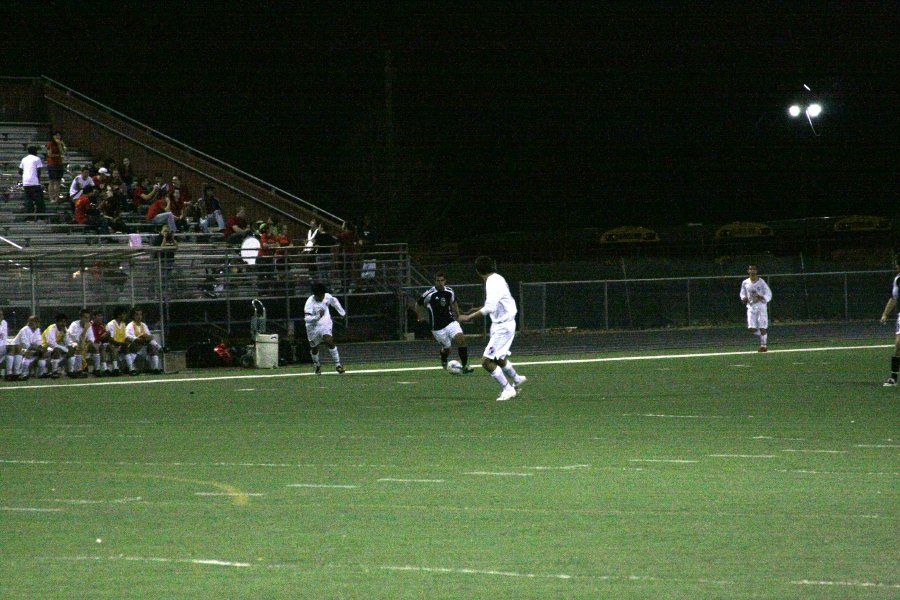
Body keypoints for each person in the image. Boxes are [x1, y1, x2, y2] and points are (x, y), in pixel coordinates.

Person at [458, 256, 527, 401]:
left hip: (503, 326)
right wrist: (475, 309)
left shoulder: (491, 282)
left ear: (478, 271)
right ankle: (517, 378)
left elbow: (489, 308)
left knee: (486, 361)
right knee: (499, 358)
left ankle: (508, 389)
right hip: (502, 324)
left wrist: (468, 317)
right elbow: (496, 303)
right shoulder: (498, 278)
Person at [417, 273, 474, 372]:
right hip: (437, 327)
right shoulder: (429, 293)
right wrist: (419, 316)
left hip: (450, 322)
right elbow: (418, 304)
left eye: (442, 280)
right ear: (435, 281)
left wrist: (458, 314)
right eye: (438, 280)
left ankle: (465, 366)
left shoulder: (449, 291)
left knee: (461, 339)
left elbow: (454, 302)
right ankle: (443, 359)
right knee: (447, 349)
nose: (440, 283)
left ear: (445, 281)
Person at [304, 282, 347, 374]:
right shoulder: (309, 303)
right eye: (320, 295)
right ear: (315, 295)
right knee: (314, 348)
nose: (323, 297)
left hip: (325, 323)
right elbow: (307, 319)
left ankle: (338, 365)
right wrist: (317, 316)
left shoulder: (327, 296)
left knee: (329, 341)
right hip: (312, 327)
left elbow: (334, 301)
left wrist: (342, 313)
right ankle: (317, 364)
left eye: (323, 294)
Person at [739, 265, 773, 352]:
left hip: (761, 306)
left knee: (762, 327)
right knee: (751, 328)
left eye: (754, 269)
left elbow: (768, 293)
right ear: (748, 271)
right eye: (751, 269)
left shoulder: (761, 282)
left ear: (756, 271)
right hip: (751, 307)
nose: (752, 271)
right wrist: (743, 298)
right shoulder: (745, 282)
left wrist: (762, 297)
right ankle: (763, 333)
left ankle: (763, 346)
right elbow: (742, 293)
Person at [879, 257, 900, 386]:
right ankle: (893, 378)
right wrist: (885, 314)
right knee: (898, 344)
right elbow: (894, 298)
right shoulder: (898, 280)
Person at [124, 308, 162, 375]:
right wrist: (138, 339)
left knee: (152, 346)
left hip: (143, 345)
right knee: (144, 336)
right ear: (133, 316)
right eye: (137, 315)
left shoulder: (143, 325)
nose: (139, 317)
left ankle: (156, 368)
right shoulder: (130, 325)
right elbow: (127, 336)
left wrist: (146, 338)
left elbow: (149, 336)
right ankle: (160, 347)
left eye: (140, 315)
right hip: (134, 346)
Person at [10, 316, 44, 381]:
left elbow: (38, 343)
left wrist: (40, 348)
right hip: (17, 350)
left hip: (30, 349)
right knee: (29, 352)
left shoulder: (37, 330)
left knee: (45, 352)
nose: (37, 324)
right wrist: (37, 348)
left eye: (37, 322)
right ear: (30, 322)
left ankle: (41, 374)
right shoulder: (24, 329)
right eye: (35, 322)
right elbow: (26, 345)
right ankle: (23, 374)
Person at [65, 309, 95, 378]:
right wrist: (85, 330)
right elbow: (78, 340)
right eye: (85, 317)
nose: (87, 320)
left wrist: (87, 345)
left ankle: (98, 370)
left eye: (88, 318)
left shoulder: (88, 325)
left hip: (83, 343)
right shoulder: (74, 325)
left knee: (94, 347)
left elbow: (91, 339)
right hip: (71, 343)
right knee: (79, 347)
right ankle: (78, 370)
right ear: (81, 318)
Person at [19, 145, 45, 219]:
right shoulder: (37, 159)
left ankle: (29, 216)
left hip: (26, 182)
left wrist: (25, 175)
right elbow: (39, 171)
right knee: (39, 200)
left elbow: (20, 171)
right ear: (35, 152)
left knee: (28, 200)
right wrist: (38, 180)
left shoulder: (24, 159)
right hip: (34, 181)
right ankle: (41, 216)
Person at [41, 313, 70, 378]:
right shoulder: (52, 328)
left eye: (64, 322)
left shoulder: (64, 329)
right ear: (57, 322)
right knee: (57, 350)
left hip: (54, 347)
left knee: (71, 350)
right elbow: (51, 343)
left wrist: (65, 334)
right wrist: (66, 349)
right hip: (45, 348)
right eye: (61, 321)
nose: (63, 324)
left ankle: (70, 371)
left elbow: (67, 342)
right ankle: (54, 372)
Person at [105, 307, 130, 376]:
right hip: (112, 344)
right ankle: (115, 369)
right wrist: (121, 344)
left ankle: (130, 369)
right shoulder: (111, 324)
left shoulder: (123, 324)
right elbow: (110, 339)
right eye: (124, 314)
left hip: (120, 344)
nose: (125, 316)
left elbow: (125, 336)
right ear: (119, 315)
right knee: (114, 347)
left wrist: (126, 342)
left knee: (128, 347)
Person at [45, 132, 67, 202]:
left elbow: (63, 152)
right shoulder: (50, 143)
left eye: (59, 135)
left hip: (59, 164)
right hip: (52, 164)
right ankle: (51, 198)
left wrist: (60, 144)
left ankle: (56, 198)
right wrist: (59, 155)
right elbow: (50, 154)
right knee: (52, 181)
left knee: (58, 181)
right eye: (56, 135)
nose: (58, 136)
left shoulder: (60, 143)